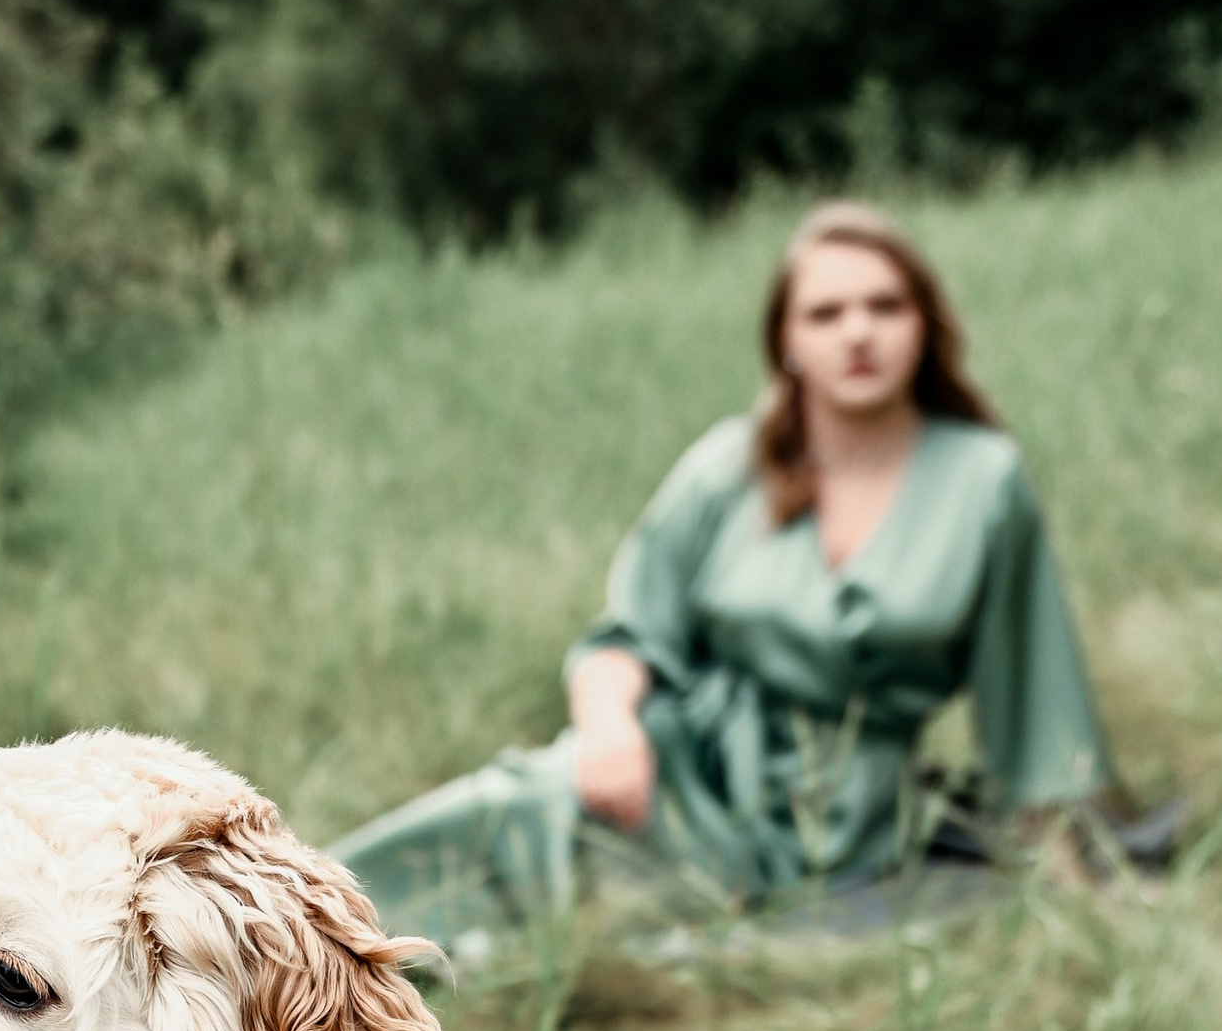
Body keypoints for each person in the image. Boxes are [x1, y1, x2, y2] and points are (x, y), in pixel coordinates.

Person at [335, 201, 1115, 956]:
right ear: (785, 340)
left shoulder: (982, 477)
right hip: (688, 771)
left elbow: (1031, 695)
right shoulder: (728, 465)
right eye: (825, 313)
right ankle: (270, 943)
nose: (858, 332)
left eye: (886, 305)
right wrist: (611, 734)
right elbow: (626, 636)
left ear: (925, 325)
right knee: (505, 816)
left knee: (605, 935)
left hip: (854, 819)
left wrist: (1063, 867)